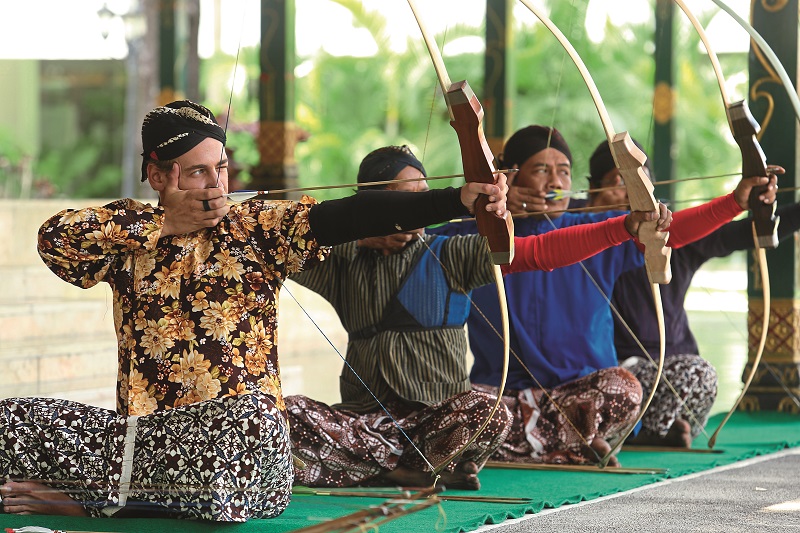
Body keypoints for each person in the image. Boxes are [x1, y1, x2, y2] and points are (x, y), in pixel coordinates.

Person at [0, 101, 509, 521]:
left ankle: (94, 496)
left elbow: (347, 216)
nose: (216, 185)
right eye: (196, 172)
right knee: (10, 421)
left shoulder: (254, 228)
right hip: (144, 442)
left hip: (241, 455)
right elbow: (55, 240)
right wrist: (162, 226)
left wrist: (459, 199)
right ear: (157, 175)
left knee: (253, 421)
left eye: (220, 169)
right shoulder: (131, 233)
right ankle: (129, 490)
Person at [285, 145, 671, 489]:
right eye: (405, 199)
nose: (419, 207)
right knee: (284, 416)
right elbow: (273, 240)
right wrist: (357, 235)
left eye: (425, 196)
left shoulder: (451, 252)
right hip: (366, 424)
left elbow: (540, 251)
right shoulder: (339, 260)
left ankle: (396, 465)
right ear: (370, 206)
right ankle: (414, 466)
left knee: (488, 411)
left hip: (440, 422)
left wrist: (624, 227)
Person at [431, 125, 778, 465]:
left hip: (585, 394)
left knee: (623, 389)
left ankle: (549, 440)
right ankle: (567, 442)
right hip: (507, 393)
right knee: (465, 406)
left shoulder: (593, 230)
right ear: (510, 177)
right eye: (541, 170)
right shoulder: (474, 239)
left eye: (564, 171)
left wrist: (734, 203)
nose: (556, 182)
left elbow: (668, 232)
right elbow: (423, 240)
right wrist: (489, 210)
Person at [586, 139, 792, 447]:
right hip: (618, 371)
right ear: (593, 191)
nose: (630, 192)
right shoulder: (585, 235)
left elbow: (742, 234)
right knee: (682, 377)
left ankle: (656, 430)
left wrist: (757, 207)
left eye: (639, 181)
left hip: (679, 371)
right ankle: (646, 432)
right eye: (618, 182)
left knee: (699, 378)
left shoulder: (673, 232)